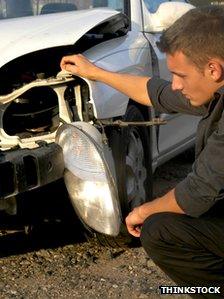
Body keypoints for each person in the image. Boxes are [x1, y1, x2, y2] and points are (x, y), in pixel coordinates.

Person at [60, 6, 224, 297]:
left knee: (160, 228)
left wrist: (142, 211)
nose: (175, 84)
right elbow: (157, 92)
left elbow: (196, 193)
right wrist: (95, 72)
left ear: (213, 69)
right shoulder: (215, 87)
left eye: (180, 75)